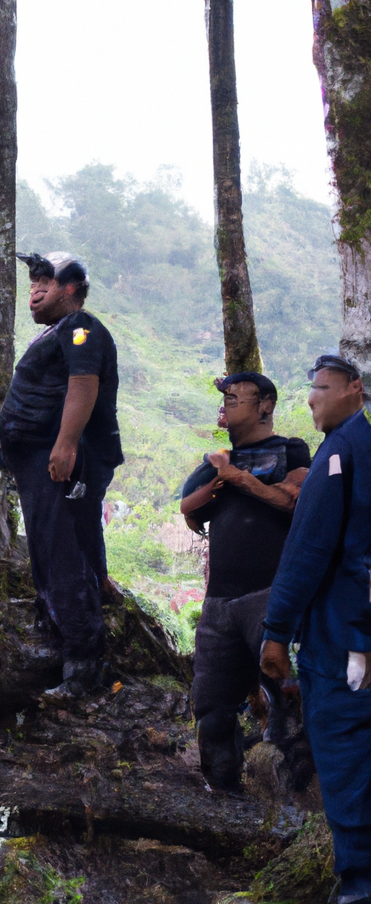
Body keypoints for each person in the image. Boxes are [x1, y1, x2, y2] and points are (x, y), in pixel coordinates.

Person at [261, 354, 371, 904]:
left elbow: (308, 552)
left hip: (343, 634)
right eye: (310, 390)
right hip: (355, 628)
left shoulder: (342, 453)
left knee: (345, 750)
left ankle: (358, 884)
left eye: (322, 388)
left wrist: (277, 629)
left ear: (355, 389)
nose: (311, 400)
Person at [0, 251, 123, 698]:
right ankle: (62, 639)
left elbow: (83, 385)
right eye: (31, 284)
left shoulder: (81, 329)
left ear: (70, 288)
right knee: (55, 551)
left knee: (60, 554)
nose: (33, 292)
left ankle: (83, 667)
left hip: (64, 464)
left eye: (44, 284)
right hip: (44, 463)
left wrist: (65, 444)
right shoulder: (60, 331)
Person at [180, 372, 310, 790]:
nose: (226, 403)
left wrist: (236, 479)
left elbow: (294, 500)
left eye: (236, 397)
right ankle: (221, 789)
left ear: (265, 406)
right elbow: (189, 508)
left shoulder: (290, 450)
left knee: (289, 692)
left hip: (270, 593)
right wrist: (220, 476)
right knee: (213, 706)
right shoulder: (215, 459)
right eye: (225, 398)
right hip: (219, 602)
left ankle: (299, 793)